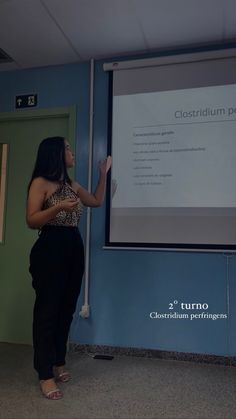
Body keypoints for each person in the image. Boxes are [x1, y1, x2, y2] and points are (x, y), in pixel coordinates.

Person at [26, 136, 111, 400]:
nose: (72, 153)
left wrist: (103, 175)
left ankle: (58, 360)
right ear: (55, 153)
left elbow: (96, 201)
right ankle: (44, 373)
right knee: (48, 311)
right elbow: (31, 220)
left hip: (73, 245)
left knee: (66, 308)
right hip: (50, 246)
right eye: (68, 149)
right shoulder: (40, 183)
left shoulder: (70, 184)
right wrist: (59, 207)